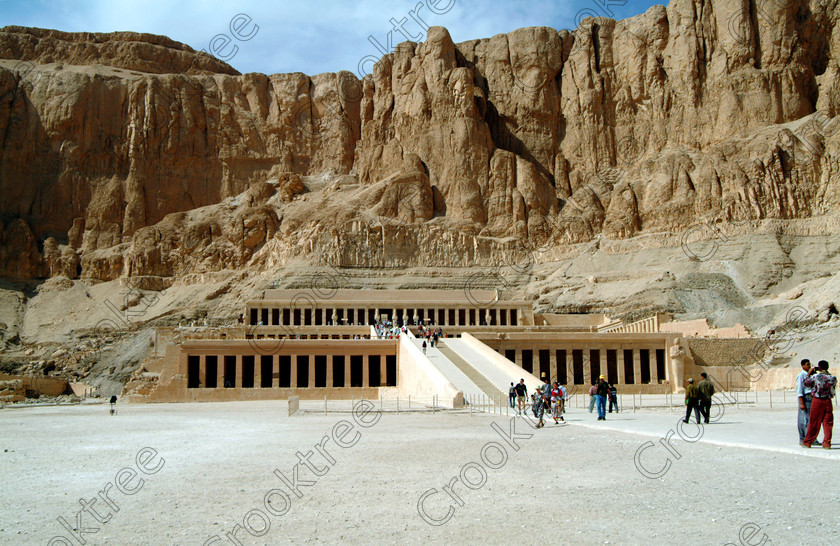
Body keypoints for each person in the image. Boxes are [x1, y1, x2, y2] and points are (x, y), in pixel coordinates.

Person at [802, 360, 836, 449]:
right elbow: (833, 391)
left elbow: (806, 383)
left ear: (819, 367)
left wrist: (809, 374)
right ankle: (827, 443)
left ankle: (808, 441)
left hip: (817, 401)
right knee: (828, 422)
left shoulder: (816, 377)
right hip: (828, 401)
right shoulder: (833, 378)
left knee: (814, 421)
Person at [796, 359, 813, 444]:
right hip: (804, 397)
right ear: (802, 366)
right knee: (803, 419)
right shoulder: (801, 375)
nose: (809, 366)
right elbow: (799, 390)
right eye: (807, 365)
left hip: (810, 398)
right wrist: (801, 403)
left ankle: (810, 437)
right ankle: (803, 438)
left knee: (810, 418)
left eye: (809, 364)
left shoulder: (809, 375)